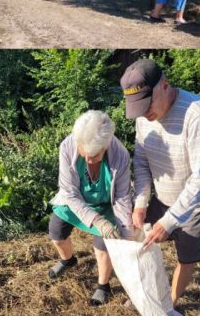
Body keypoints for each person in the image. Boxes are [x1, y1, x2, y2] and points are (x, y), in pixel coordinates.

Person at [120, 58, 200, 310]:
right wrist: (141, 202)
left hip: (196, 206)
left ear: (165, 85)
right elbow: (141, 162)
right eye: (137, 107)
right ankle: (149, 294)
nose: (144, 114)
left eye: (147, 103)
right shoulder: (144, 117)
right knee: (138, 240)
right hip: (162, 198)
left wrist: (170, 220)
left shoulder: (197, 113)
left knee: (186, 259)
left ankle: (167, 305)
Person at [48, 110, 133, 307]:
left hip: (106, 204)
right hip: (74, 200)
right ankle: (67, 260)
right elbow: (68, 192)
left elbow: (121, 197)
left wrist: (126, 230)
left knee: (104, 244)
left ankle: (103, 286)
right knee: (56, 234)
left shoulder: (120, 155)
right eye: (83, 152)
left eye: (94, 155)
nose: (87, 159)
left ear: (106, 145)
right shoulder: (67, 147)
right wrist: (96, 220)